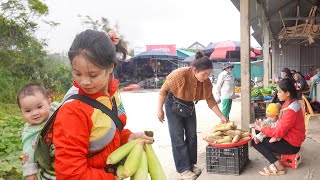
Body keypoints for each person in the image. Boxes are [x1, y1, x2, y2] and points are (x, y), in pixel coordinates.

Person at [53, 29, 153, 179]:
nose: (84, 82)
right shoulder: (73, 112)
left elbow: (107, 131)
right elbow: (70, 174)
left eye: (93, 75)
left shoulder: (111, 94)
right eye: (77, 73)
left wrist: (128, 138)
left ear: (110, 67)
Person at [157, 51, 228, 180]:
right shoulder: (179, 75)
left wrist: (222, 117)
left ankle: (190, 165)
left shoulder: (206, 82)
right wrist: (159, 109)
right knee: (177, 136)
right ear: (194, 70)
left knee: (191, 135)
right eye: (204, 74)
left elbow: (210, 100)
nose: (206, 77)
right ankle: (183, 170)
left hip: (188, 105)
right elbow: (163, 91)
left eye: (209, 74)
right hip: (173, 104)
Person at [253, 78, 305, 176]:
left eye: (280, 92)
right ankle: (277, 154)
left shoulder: (291, 110)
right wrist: (267, 126)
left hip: (292, 145)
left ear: (288, 93)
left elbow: (278, 133)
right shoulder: (290, 103)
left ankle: (278, 165)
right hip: (288, 136)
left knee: (255, 141)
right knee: (258, 133)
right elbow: (280, 125)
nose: (278, 94)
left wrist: (262, 128)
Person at [17, 83, 59, 180]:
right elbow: (28, 152)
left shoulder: (56, 109)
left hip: (72, 162)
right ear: (21, 112)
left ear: (49, 103)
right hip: (50, 171)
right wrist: (30, 174)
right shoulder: (29, 132)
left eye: (39, 107)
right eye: (28, 111)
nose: (35, 113)